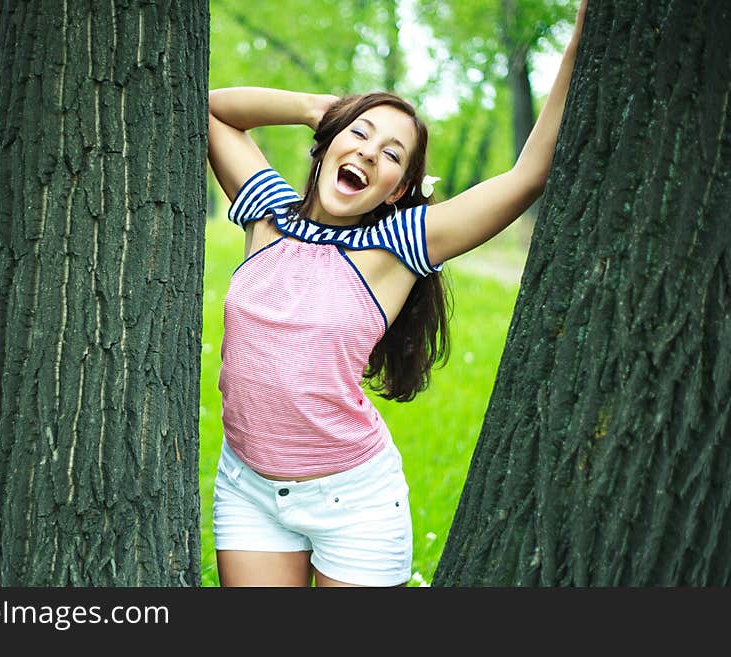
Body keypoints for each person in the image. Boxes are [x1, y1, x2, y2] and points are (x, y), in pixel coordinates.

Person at [206, 1, 587, 587]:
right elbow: (211, 111)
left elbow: (526, 175)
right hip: (249, 492)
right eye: (358, 134)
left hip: (351, 504)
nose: (366, 152)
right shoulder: (266, 211)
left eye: (390, 154)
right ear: (327, 144)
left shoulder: (398, 244)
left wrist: (580, 33)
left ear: (398, 189)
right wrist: (318, 108)